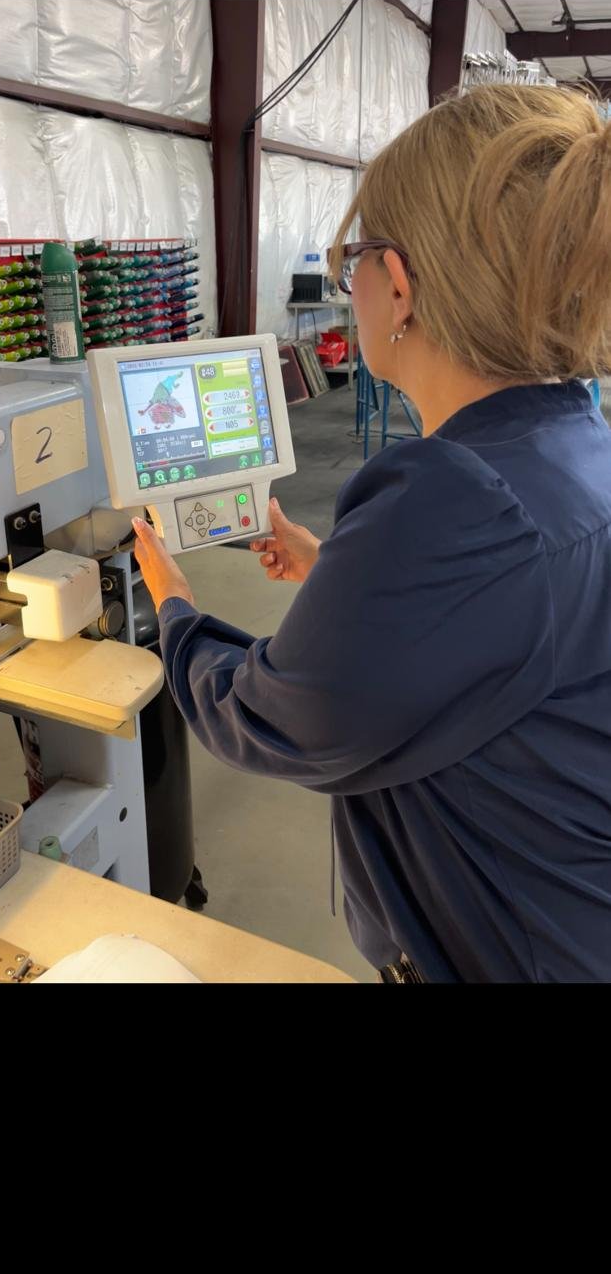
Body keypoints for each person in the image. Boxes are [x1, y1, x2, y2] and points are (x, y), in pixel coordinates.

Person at [133, 84, 611, 984]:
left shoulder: (449, 498)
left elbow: (276, 720)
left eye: (350, 262)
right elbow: (505, 625)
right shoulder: (576, 442)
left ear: (397, 285)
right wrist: (342, 574)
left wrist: (175, 607)